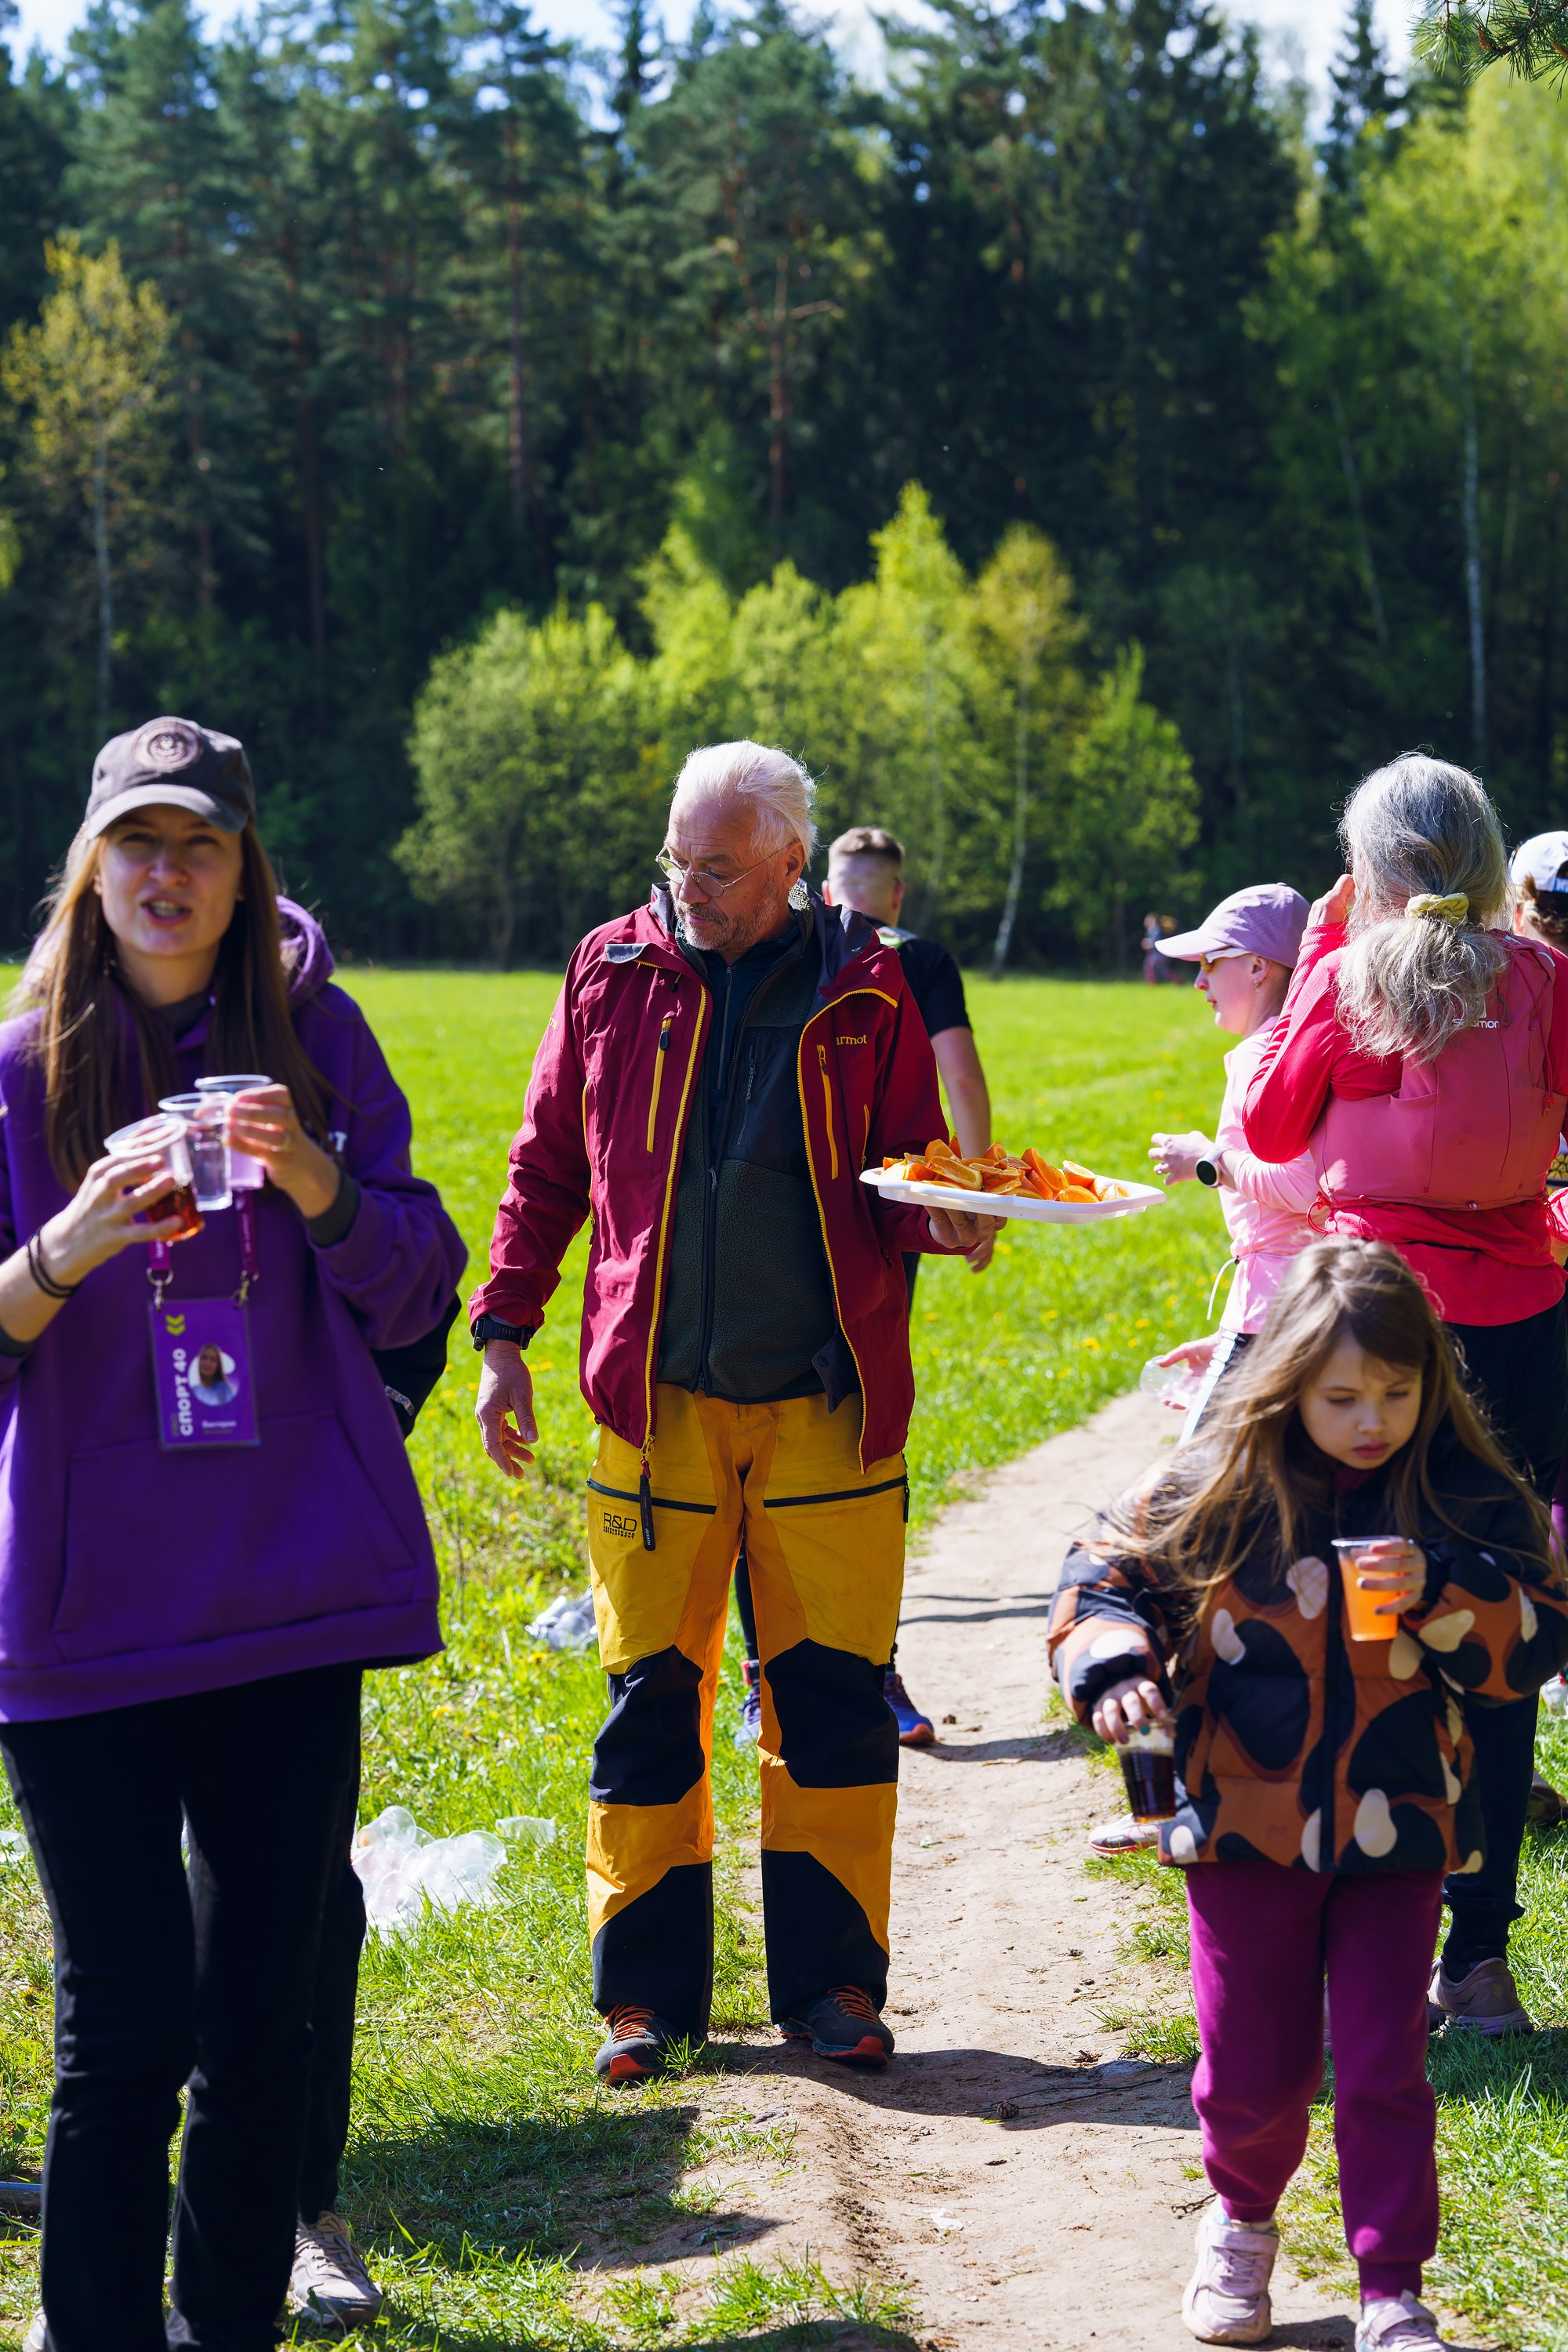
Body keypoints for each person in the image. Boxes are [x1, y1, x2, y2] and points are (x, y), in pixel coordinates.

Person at [0, 717, 465, 2351]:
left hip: (286, 1599)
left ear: (244, 870)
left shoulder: (317, 1039)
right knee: (122, 2028)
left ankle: (229, 2332)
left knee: (261, 2023)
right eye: (139, 842)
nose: (168, 873)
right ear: (91, 870)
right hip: (83, 1624)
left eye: (200, 843)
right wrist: (63, 1247)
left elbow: (418, 1287)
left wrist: (317, 1180)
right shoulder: (19, 1070)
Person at [470, 741, 996, 2086]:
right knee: (649, 1698)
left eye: (717, 867)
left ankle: (832, 1989)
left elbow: (908, 1172)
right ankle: (645, 2003)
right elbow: (545, 1161)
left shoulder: (868, 983)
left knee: (831, 1703)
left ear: (789, 864)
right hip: (654, 1409)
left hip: (825, 1407)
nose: (688, 888)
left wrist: (951, 1215)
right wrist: (504, 1333)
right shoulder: (610, 968)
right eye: (676, 860)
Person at [1049, 1237, 1568, 2352]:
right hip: (1241, 1828)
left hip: (1401, 1826)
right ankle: (1240, 2220)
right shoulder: (1218, 1487)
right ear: (1286, 1381)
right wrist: (1115, 1663)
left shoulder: (1463, 1496)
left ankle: (1391, 2288)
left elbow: (1532, 1644)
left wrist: (1442, 1592)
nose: (1371, 1420)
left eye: (1396, 1392)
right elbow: (1100, 1572)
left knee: (1384, 2065)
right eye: (1340, 1398)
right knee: (1255, 2067)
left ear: (1431, 1383)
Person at [1243, 754, 1568, 2036]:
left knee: (1359, 1627)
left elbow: (1271, 1130)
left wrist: (1326, 948)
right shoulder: (1543, 977)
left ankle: (1360, 1931)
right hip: (1526, 1325)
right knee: (1493, 1635)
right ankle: (1476, 1959)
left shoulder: (1348, 977)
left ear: (1368, 867)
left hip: (1381, 1334)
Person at [725, 822, 995, 1752]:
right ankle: (868, 1665)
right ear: (897, 891)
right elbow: (960, 1073)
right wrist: (975, 1191)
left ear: (819, 880)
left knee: (756, 1443)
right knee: (864, 1425)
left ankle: (771, 1676)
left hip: (775, 1225)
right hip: (880, 1229)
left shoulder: (777, 942)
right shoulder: (917, 956)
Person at [1147, 884, 1316, 1418]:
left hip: (1274, 1310)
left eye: (1210, 962)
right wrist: (1225, 1337)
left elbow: (1303, 1188)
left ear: (1258, 967)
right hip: (1304, 1300)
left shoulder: (1261, 1055)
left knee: (1207, 1468)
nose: (1199, 981)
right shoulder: (1302, 1045)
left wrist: (1208, 1161)